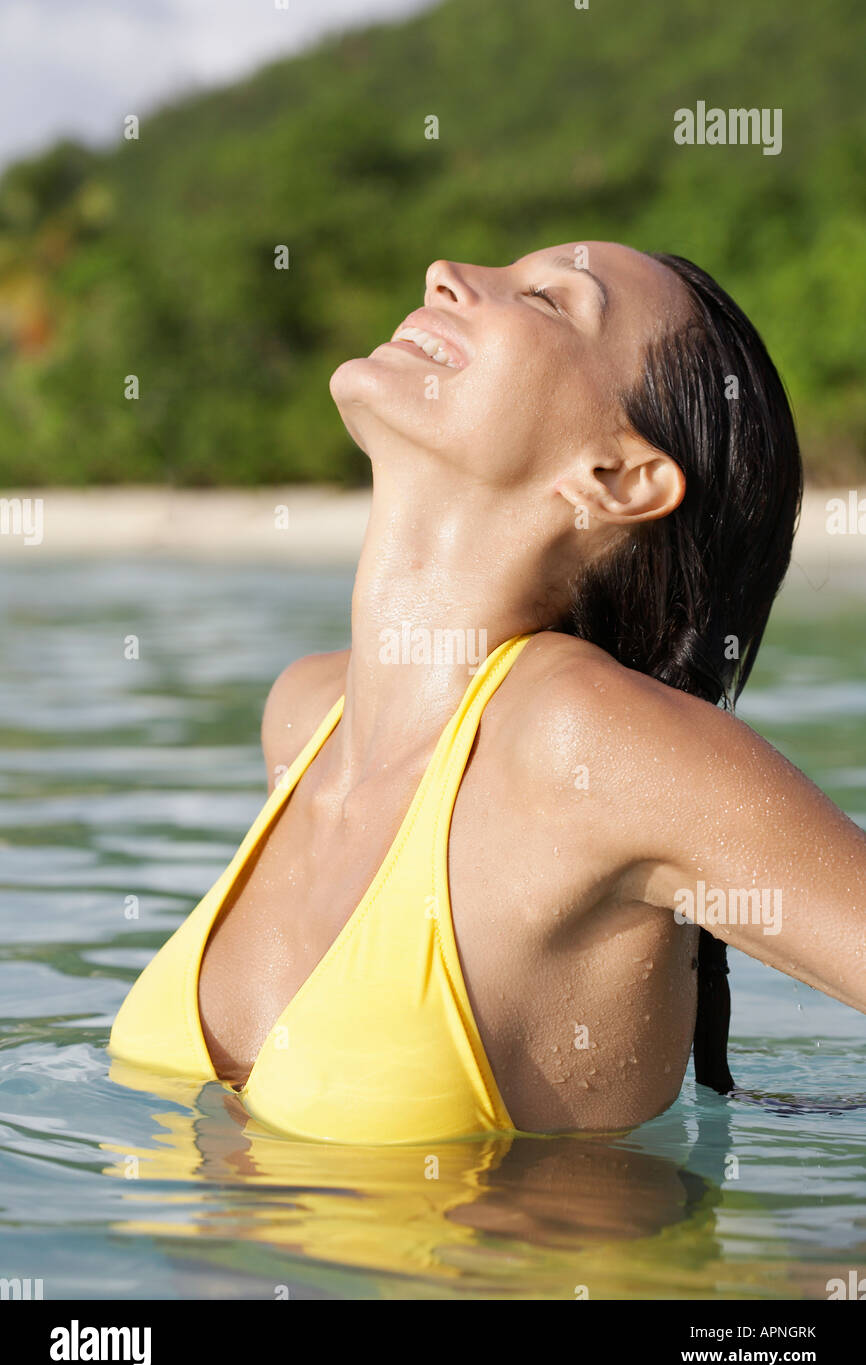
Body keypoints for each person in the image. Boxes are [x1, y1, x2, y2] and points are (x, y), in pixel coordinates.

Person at [109, 242, 866, 1145]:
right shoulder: (307, 717)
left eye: (548, 300)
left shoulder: (591, 746)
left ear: (617, 478)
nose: (441, 271)